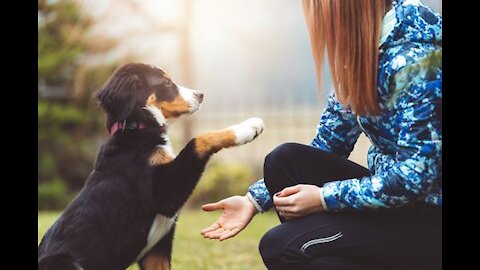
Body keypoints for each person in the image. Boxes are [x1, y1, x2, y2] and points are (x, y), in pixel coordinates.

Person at [201, 0, 442, 269]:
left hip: (431, 219)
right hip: (398, 207)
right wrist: (253, 201)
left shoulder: (416, 62)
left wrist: (324, 198)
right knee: (284, 160)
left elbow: (414, 178)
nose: (318, 22)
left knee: (281, 246)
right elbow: (329, 144)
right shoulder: (365, 54)